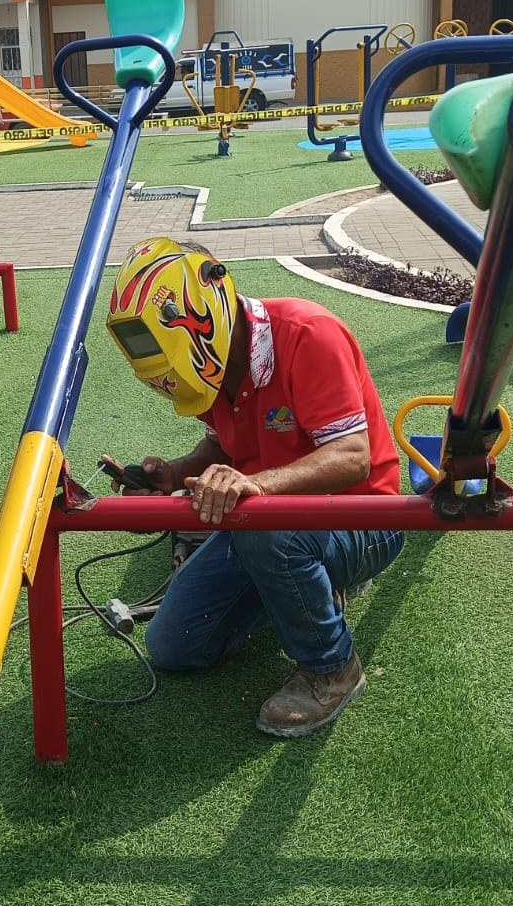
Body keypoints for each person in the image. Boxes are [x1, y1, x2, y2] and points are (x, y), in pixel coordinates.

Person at [106, 237, 405, 738]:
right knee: (174, 646)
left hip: (364, 519)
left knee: (267, 535)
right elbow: (220, 446)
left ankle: (333, 668)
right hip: (266, 524)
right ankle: (305, 585)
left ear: (203, 305)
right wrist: (174, 474)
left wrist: (256, 484)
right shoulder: (213, 362)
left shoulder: (308, 333)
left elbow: (353, 457)